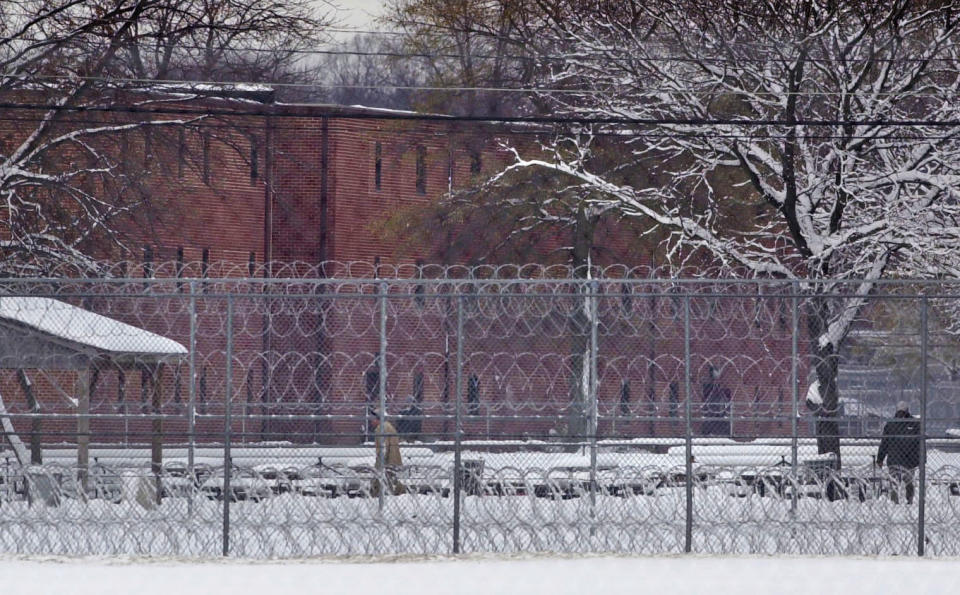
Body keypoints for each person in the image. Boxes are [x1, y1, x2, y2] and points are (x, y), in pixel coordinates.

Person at [876, 401, 921, 504]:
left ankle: (894, 502)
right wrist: (921, 459)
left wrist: (880, 459)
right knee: (909, 482)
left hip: (894, 459)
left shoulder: (891, 424)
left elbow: (884, 444)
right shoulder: (915, 424)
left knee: (894, 482)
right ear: (908, 410)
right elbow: (920, 444)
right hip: (910, 460)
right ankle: (909, 501)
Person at [370, 410, 405, 496]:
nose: (372, 421)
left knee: (379, 477)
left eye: (374, 419)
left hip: (387, 459)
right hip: (393, 458)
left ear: (378, 419)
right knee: (390, 478)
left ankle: (375, 495)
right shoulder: (388, 426)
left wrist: (381, 461)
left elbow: (384, 447)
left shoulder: (381, 428)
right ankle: (400, 492)